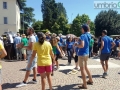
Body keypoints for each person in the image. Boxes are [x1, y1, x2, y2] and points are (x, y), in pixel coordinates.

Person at [75, 24, 93, 89]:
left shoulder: (82, 36)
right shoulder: (89, 35)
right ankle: (90, 80)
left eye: (81, 28)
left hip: (82, 54)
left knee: (82, 69)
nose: (81, 29)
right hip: (87, 53)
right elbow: (88, 30)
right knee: (86, 67)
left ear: (83, 29)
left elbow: (82, 45)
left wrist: (76, 45)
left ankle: (84, 85)